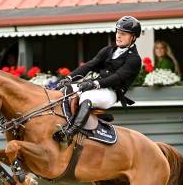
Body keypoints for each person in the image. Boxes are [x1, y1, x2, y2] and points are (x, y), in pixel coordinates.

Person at [53, 16, 142, 146]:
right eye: (117, 32)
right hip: (96, 86)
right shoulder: (108, 50)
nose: (118, 36)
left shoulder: (134, 59)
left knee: (87, 97)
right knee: (65, 90)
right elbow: (89, 65)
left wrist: (95, 84)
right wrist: (69, 78)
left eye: (123, 34)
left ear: (133, 37)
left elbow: (117, 77)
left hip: (111, 92)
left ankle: (71, 132)